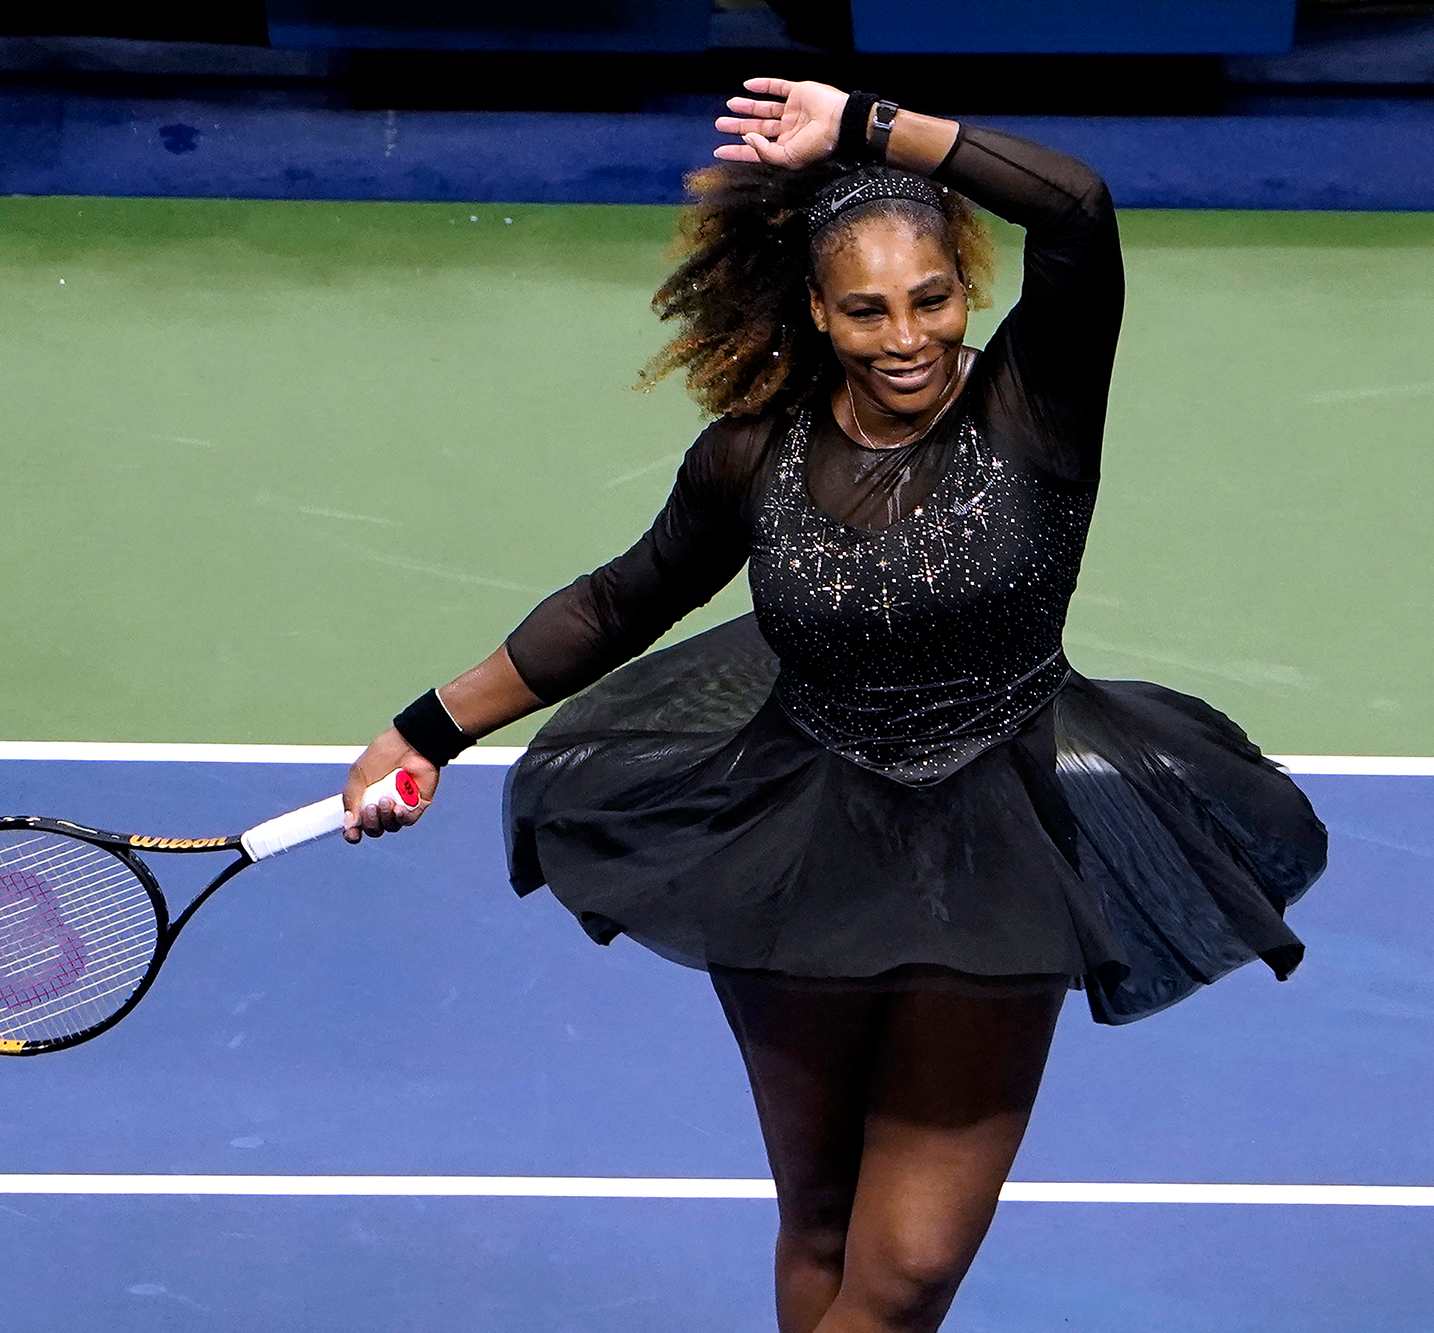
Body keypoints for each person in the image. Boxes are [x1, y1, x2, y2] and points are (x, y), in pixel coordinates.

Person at [341, 77, 1327, 1333]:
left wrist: (867, 125)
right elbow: (614, 604)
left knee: (908, 1266)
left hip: (992, 850)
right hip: (794, 837)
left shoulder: (1036, 404)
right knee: (818, 1213)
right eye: (864, 309)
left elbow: (1076, 210)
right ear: (816, 311)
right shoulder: (753, 456)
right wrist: (426, 731)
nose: (905, 334)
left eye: (932, 298)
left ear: (966, 290)